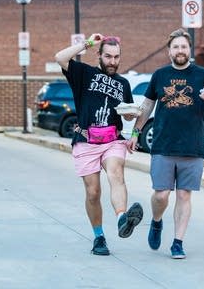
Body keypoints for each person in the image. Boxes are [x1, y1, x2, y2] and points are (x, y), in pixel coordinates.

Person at [128, 28, 204, 260]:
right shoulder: (160, 75)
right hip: (163, 145)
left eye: (184, 47)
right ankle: (157, 221)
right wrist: (134, 132)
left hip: (192, 147)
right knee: (161, 195)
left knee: (184, 196)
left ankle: (178, 242)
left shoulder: (202, 75)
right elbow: (147, 106)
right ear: (169, 51)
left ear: (189, 50)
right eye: (176, 47)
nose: (180, 50)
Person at [54, 33, 143, 257]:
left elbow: (129, 112)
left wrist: (132, 126)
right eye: (108, 56)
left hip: (112, 139)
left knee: (116, 174)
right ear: (99, 55)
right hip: (86, 140)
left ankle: (122, 218)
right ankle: (99, 236)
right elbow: (60, 57)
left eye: (116, 57)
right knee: (93, 192)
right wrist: (87, 43)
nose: (113, 61)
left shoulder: (123, 84)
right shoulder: (84, 73)